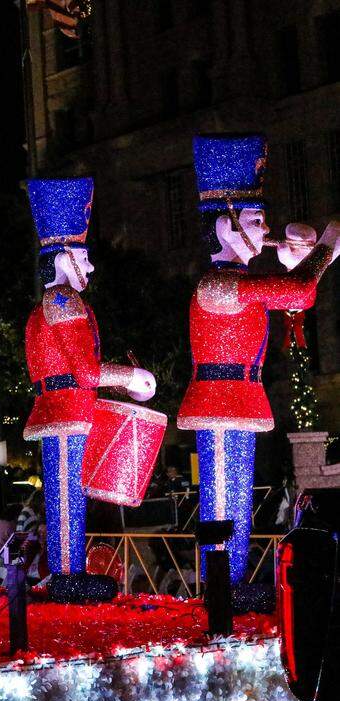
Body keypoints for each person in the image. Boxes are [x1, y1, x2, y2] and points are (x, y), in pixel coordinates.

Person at [178, 134, 340, 611]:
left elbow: (291, 289)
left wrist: (300, 257)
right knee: (223, 495)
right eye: (256, 220)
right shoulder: (217, 284)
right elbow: (299, 293)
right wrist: (327, 246)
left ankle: (233, 581)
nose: (265, 228)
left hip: (241, 396)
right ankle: (221, 586)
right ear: (227, 227)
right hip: (218, 399)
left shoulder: (242, 281)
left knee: (238, 493)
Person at [22, 177, 156, 602]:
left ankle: (69, 571)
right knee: (65, 492)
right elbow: (85, 370)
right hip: (64, 409)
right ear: (63, 258)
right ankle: (66, 574)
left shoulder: (58, 302)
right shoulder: (62, 300)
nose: (91, 266)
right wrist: (132, 378)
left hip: (66, 408)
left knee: (69, 490)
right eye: (84, 255)